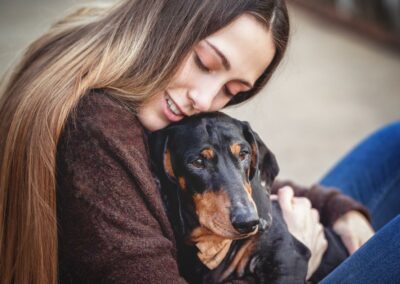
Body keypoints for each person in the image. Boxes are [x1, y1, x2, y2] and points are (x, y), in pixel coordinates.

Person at [0, 0, 398, 283]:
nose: (205, 101)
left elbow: (234, 181)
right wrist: (297, 258)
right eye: (205, 63)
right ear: (165, 20)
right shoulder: (95, 134)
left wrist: (336, 208)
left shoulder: (121, 89)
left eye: (232, 90)